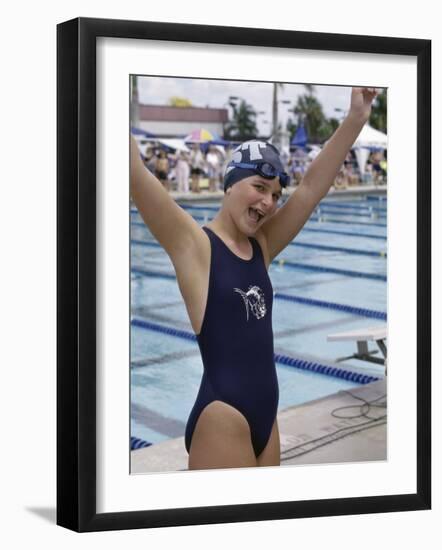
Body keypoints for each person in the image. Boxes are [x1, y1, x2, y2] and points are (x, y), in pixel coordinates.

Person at [130, 87, 378, 470]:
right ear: (230, 185)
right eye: (259, 188)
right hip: (223, 419)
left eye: (276, 194)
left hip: (267, 417)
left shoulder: (261, 245)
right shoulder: (196, 247)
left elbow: (311, 188)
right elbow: (134, 172)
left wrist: (357, 118)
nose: (268, 203)